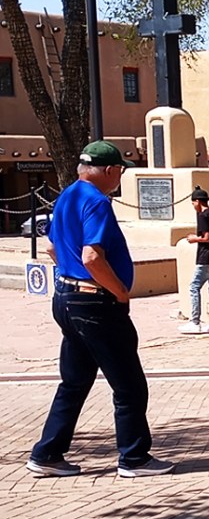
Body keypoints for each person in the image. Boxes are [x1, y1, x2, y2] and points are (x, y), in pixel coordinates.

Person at [27, 140, 175, 478]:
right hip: (95, 303)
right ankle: (134, 458)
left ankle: (47, 453)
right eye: (120, 170)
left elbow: (51, 247)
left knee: (74, 382)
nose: (120, 176)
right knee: (129, 385)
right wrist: (119, 291)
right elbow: (92, 256)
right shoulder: (96, 201)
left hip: (66, 298)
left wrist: (71, 274)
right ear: (109, 170)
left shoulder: (67, 196)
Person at [179, 186, 209, 335]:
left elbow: (207, 238)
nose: (193, 206)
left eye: (193, 203)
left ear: (197, 201)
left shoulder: (202, 216)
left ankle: (195, 322)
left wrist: (194, 238)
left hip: (206, 258)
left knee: (194, 287)